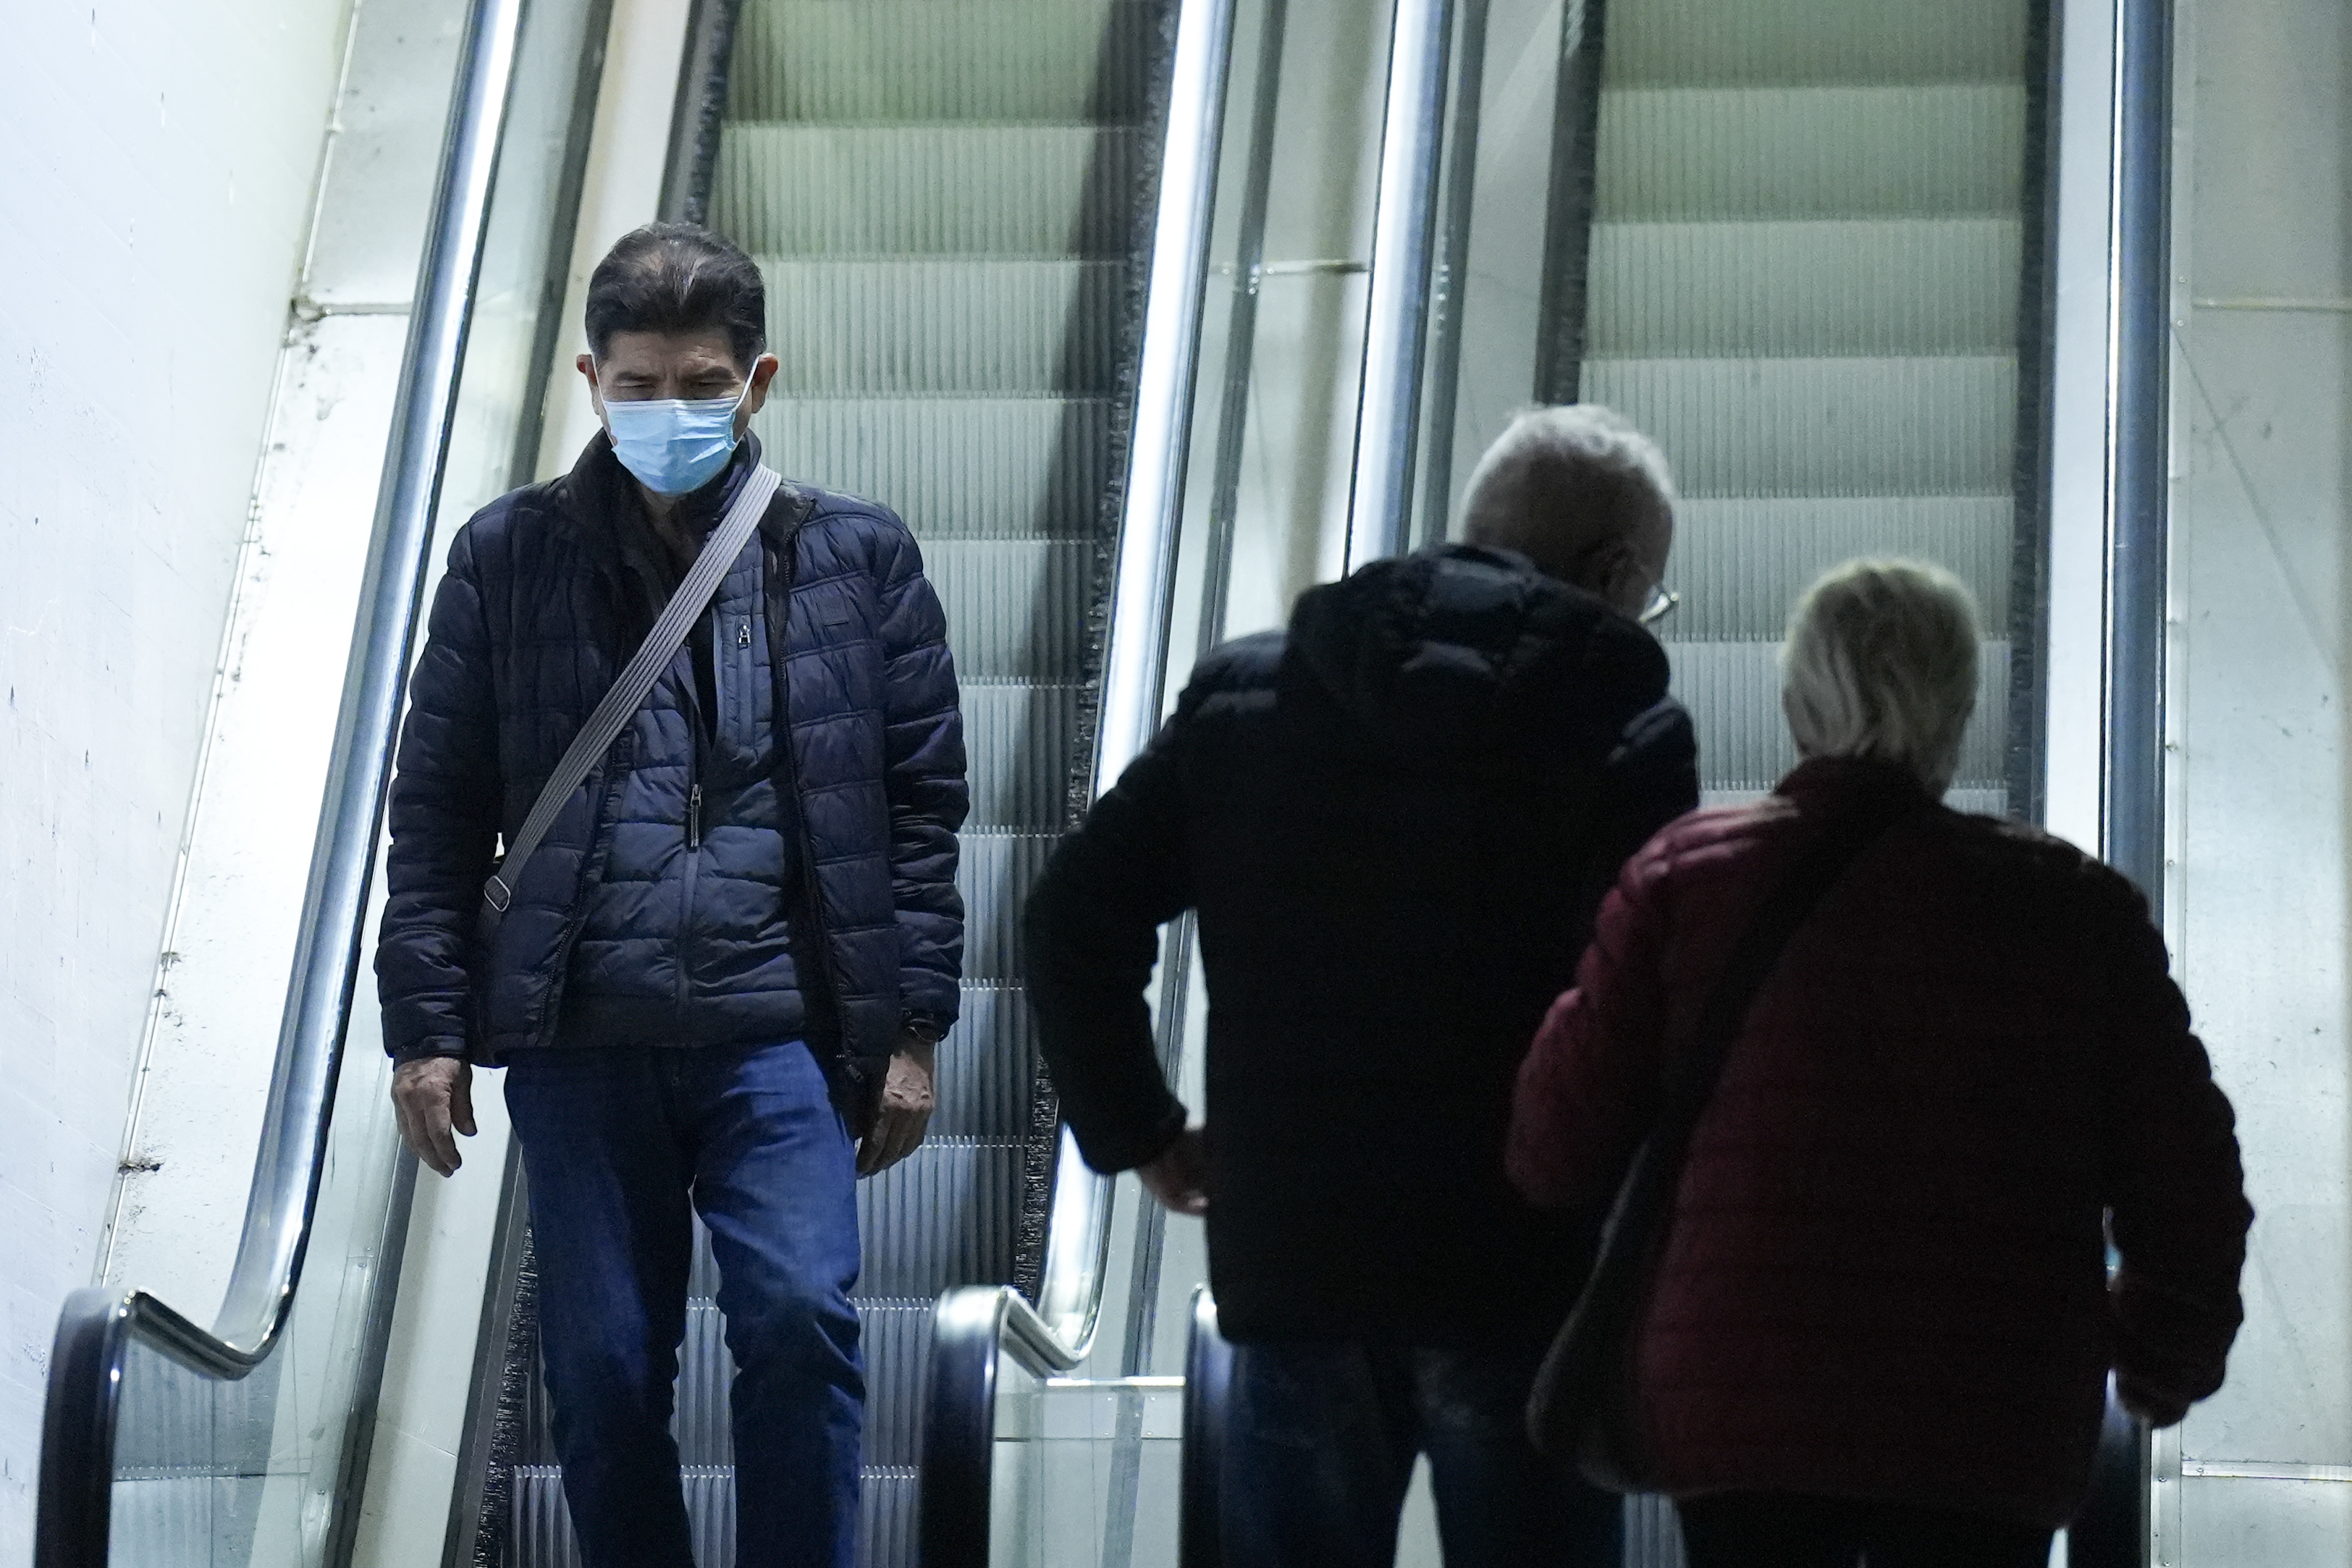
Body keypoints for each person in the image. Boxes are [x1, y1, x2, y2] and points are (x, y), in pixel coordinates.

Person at [374, 222, 966, 1568]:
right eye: (637, 384)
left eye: (701, 384)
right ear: (591, 379)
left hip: (780, 1030)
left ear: (758, 383)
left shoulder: (855, 556)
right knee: (601, 1372)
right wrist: (427, 1028)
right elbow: (437, 809)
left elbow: (919, 807)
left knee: (800, 1321)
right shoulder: (506, 556)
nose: (668, 411)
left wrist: (912, 1029)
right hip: (582, 1033)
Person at [1025, 405, 1699, 1567]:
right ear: (1613, 572)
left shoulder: (1251, 695)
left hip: (1297, 1261)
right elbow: (1638, 1011)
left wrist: (1141, 1128)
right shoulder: (1623, 728)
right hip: (1518, 1271)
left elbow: (1069, 914)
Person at [1507, 559, 2253, 1568]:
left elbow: (1552, 1149)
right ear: (1960, 712)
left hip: (1742, 1399)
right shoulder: (2077, 910)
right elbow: (2189, 1178)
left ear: (1792, 705)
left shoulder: (1687, 879)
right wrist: (2164, 1354)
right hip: (1991, 1416)